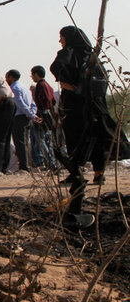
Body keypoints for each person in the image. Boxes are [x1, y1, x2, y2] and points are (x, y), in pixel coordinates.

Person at [50, 26, 129, 191]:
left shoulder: (68, 53)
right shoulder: (93, 57)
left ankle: (76, 172)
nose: (60, 40)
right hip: (95, 104)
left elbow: (56, 67)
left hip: (75, 103)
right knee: (96, 135)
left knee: (74, 137)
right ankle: (99, 172)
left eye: (61, 36)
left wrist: (68, 84)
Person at [5, 69, 40, 172]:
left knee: (20, 143)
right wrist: (32, 114)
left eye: (7, 77)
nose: (6, 79)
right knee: (25, 142)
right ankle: (26, 164)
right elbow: (32, 103)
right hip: (26, 118)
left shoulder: (14, 88)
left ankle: (24, 166)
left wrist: (30, 114)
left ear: (11, 77)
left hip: (19, 117)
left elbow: (20, 103)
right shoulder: (25, 88)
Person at [29, 65, 58, 169]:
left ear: (36, 74)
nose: (32, 77)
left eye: (32, 75)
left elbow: (43, 100)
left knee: (40, 139)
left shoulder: (40, 85)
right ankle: (52, 162)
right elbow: (53, 101)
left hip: (42, 114)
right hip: (48, 114)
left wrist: (38, 115)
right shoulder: (48, 85)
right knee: (47, 140)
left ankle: (48, 163)